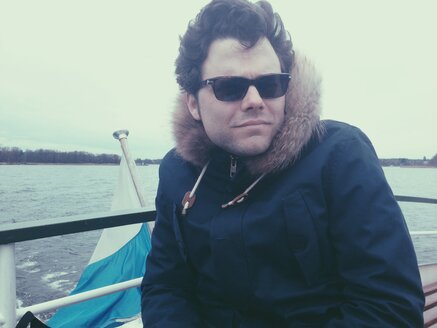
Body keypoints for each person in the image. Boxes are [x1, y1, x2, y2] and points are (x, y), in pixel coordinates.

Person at [141, 0, 424, 326]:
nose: (254, 101)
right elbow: (166, 286)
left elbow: (389, 306)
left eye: (270, 84)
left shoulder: (339, 156)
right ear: (193, 103)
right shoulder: (179, 173)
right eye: (229, 87)